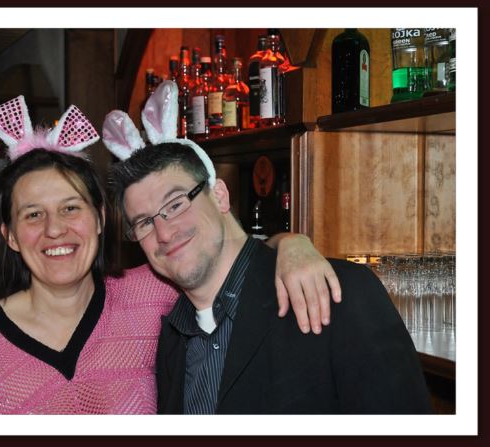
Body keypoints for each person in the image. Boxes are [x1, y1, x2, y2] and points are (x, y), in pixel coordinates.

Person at [0, 96, 339, 414]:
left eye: (71, 208)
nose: (54, 229)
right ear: (10, 236)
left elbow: (224, 261)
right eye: (33, 214)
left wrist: (289, 244)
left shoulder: (153, 293)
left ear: (100, 220)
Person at [107, 81, 433, 414]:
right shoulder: (171, 337)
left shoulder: (339, 295)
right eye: (144, 223)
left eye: (176, 204)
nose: (163, 232)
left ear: (219, 195)